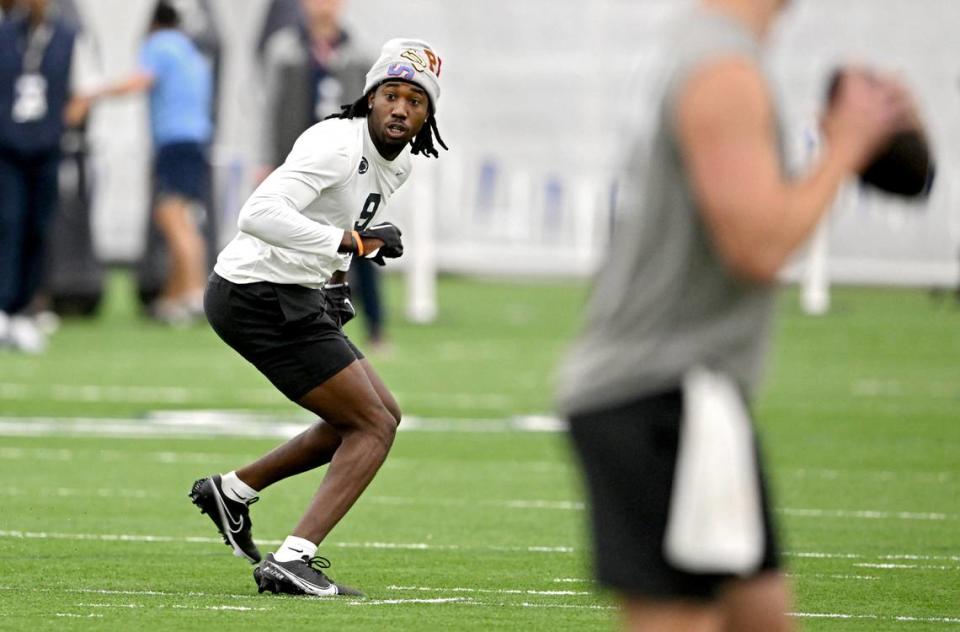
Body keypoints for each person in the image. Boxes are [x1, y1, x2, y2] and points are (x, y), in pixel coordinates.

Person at [555, 1, 915, 630]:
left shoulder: (699, 50)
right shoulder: (722, 68)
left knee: (761, 617)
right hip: (660, 388)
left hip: (687, 389)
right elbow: (757, 247)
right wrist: (846, 147)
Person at [188, 38, 446, 597]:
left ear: (429, 114)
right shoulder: (336, 142)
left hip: (291, 293)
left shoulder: (396, 162)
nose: (401, 108)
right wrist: (349, 244)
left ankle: (233, 490)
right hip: (256, 293)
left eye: (416, 100)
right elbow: (256, 213)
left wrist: (336, 281)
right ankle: (292, 559)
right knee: (371, 427)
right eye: (391, 94)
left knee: (382, 415)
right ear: (370, 97)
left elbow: (332, 222)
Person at [258, 0, 388, 348]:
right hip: (301, 166)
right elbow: (272, 109)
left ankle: (375, 328)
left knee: (358, 245)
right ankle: (291, 327)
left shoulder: (359, 53)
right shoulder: (285, 49)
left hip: (347, 166)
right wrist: (268, 160)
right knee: (294, 245)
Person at [78, 1, 213, 326]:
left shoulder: (160, 44)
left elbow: (140, 81)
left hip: (174, 141)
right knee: (182, 218)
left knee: (173, 218)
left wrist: (95, 92)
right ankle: (176, 297)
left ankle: (195, 293)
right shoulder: (191, 52)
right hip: (195, 141)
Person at [0, 0, 88, 352]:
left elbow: (82, 93)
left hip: (46, 149)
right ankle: (3, 305)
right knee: (8, 223)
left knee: (38, 225)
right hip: (7, 148)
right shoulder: (7, 34)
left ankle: (23, 308)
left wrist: (54, 130)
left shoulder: (68, 37)